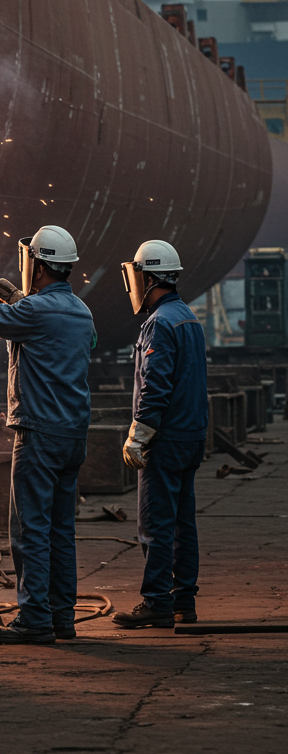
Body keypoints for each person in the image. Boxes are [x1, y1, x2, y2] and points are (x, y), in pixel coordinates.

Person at [0, 225, 94, 645]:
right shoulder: (81, 312)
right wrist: (18, 297)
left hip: (38, 432)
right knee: (60, 529)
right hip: (73, 436)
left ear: (36, 265)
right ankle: (61, 616)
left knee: (30, 529)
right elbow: (53, 331)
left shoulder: (34, 312)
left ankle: (35, 617)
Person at [113, 240, 207, 629]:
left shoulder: (159, 323)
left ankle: (156, 602)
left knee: (155, 524)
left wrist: (139, 433)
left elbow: (156, 384)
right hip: (192, 436)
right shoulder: (189, 318)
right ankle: (183, 601)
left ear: (148, 277)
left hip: (165, 439)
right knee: (184, 522)